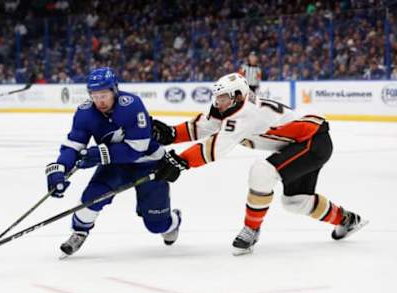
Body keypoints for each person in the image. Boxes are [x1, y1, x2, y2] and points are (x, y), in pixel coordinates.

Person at [152, 72, 367, 255]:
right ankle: (347, 219)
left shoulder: (245, 114)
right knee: (296, 202)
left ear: (238, 96)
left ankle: (251, 231)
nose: (218, 103)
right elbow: (204, 126)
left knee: (262, 172)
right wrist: (171, 134)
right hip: (303, 143)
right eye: (217, 98)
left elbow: (214, 148)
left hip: (314, 141)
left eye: (223, 97)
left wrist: (181, 161)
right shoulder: (233, 107)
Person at [46, 67, 181, 256]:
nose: (99, 100)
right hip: (115, 164)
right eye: (94, 95)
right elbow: (73, 145)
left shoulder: (132, 105)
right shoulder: (85, 113)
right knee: (89, 201)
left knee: (157, 226)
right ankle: (80, 231)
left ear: (114, 90)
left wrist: (99, 154)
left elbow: (137, 148)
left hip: (149, 163)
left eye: (103, 94)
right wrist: (59, 168)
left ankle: (174, 220)